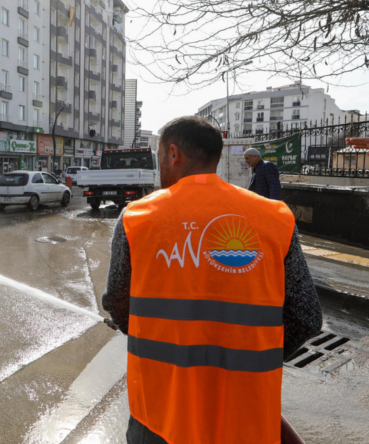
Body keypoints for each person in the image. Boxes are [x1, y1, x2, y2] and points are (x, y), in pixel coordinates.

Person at [102, 116, 322, 444]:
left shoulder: (136, 218)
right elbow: (306, 317)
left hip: (160, 415)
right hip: (246, 415)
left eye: (160, 156)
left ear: (172, 154)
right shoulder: (276, 218)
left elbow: (119, 306)